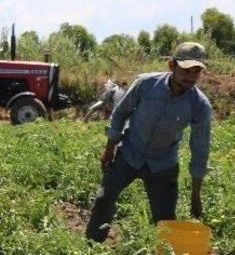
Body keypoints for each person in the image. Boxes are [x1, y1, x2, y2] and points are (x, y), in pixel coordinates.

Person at [85, 41, 212, 243]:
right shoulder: (146, 84)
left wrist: (196, 195)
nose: (191, 77)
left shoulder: (200, 105)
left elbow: (200, 150)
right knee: (104, 198)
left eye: (196, 72)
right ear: (172, 65)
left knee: (165, 220)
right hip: (129, 154)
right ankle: (92, 244)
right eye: (186, 70)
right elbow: (121, 113)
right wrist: (109, 149)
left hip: (163, 165)